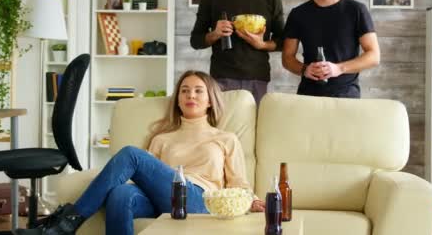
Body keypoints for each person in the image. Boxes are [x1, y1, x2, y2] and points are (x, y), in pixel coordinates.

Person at [39, 70, 265, 235]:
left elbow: (238, 182)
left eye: (198, 91)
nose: (190, 96)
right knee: (120, 193)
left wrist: (252, 200)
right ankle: (67, 223)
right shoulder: (162, 138)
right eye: (184, 91)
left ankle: (68, 222)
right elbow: (145, 180)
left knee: (130, 154)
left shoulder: (225, 138)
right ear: (177, 100)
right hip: (160, 201)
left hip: (199, 200)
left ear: (209, 100)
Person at [190, 0, 285, 104]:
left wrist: (261, 44)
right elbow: (196, 40)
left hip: (257, 77)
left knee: (254, 128)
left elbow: (283, 42)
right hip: (221, 78)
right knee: (223, 129)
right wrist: (215, 34)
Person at [281, 0, 380, 98]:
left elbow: (374, 56)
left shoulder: (356, 10)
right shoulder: (298, 14)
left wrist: (339, 68)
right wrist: (304, 70)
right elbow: (287, 58)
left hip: (346, 98)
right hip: (308, 98)